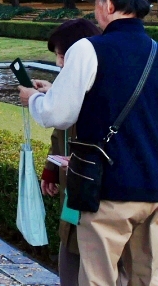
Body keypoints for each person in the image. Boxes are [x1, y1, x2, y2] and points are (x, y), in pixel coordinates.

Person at [21, 0, 158, 286]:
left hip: (109, 188)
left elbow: (57, 115)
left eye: (97, 1)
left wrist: (34, 98)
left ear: (107, 3)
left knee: (97, 279)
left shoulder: (88, 49)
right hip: (156, 188)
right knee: (146, 279)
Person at [39, 19, 103, 286]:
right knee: (68, 253)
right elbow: (60, 132)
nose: (59, 64)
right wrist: (51, 169)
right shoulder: (72, 84)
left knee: (80, 264)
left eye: (62, 56)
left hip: (89, 190)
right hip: (73, 191)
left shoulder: (100, 87)